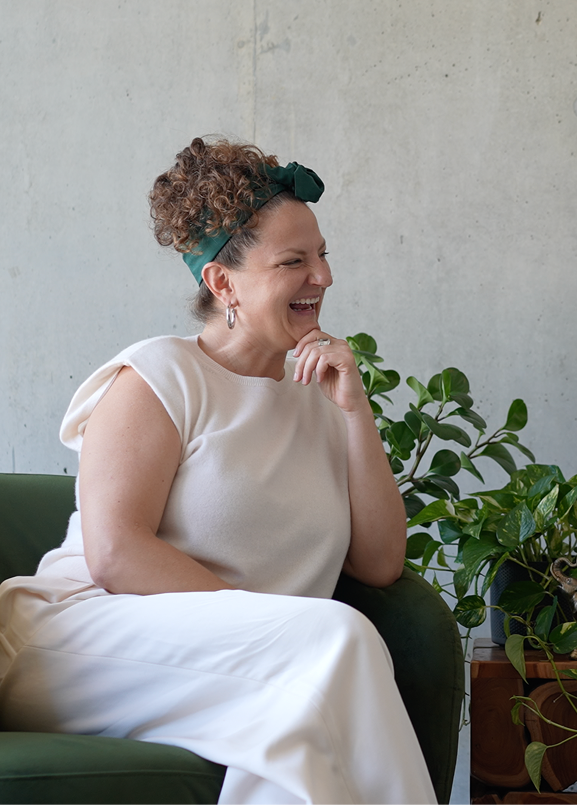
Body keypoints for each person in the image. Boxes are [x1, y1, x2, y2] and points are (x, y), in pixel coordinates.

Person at [0, 138, 437, 805]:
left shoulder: (321, 393)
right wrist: (268, 625)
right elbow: (116, 553)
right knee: (337, 637)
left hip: (253, 662)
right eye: (294, 261)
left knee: (291, 749)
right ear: (222, 283)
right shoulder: (160, 374)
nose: (322, 277)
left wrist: (355, 412)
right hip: (79, 642)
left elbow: (379, 562)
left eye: (323, 255)